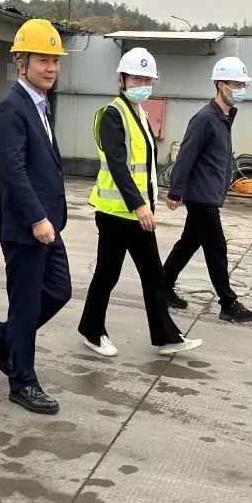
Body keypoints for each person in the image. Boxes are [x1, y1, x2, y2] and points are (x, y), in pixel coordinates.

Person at [78, 48, 203, 357]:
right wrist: (139, 205)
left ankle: (165, 337)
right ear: (121, 80)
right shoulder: (113, 114)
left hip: (137, 213)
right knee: (107, 275)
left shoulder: (140, 114)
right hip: (116, 213)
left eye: (147, 80)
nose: (142, 85)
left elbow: (142, 168)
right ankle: (93, 331)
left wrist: (148, 204)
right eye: (136, 78)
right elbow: (118, 166)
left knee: (153, 275)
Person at [0, 19, 71, 415]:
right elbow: (13, 171)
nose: (51, 67)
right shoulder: (10, 108)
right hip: (26, 226)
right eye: (43, 59)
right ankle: (23, 382)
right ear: (21, 62)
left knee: (59, 291)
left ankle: (2, 339)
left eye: (55, 60)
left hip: (47, 222)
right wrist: (36, 218)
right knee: (26, 303)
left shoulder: (40, 104)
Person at [162, 56, 252, 324]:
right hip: (201, 196)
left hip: (211, 194)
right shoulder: (204, 118)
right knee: (217, 248)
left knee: (188, 243)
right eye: (235, 84)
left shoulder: (224, 118)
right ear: (220, 84)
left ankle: (163, 286)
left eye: (243, 84)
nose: (240, 89)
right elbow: (186, 155)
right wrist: (175, 191)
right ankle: (228, 303)